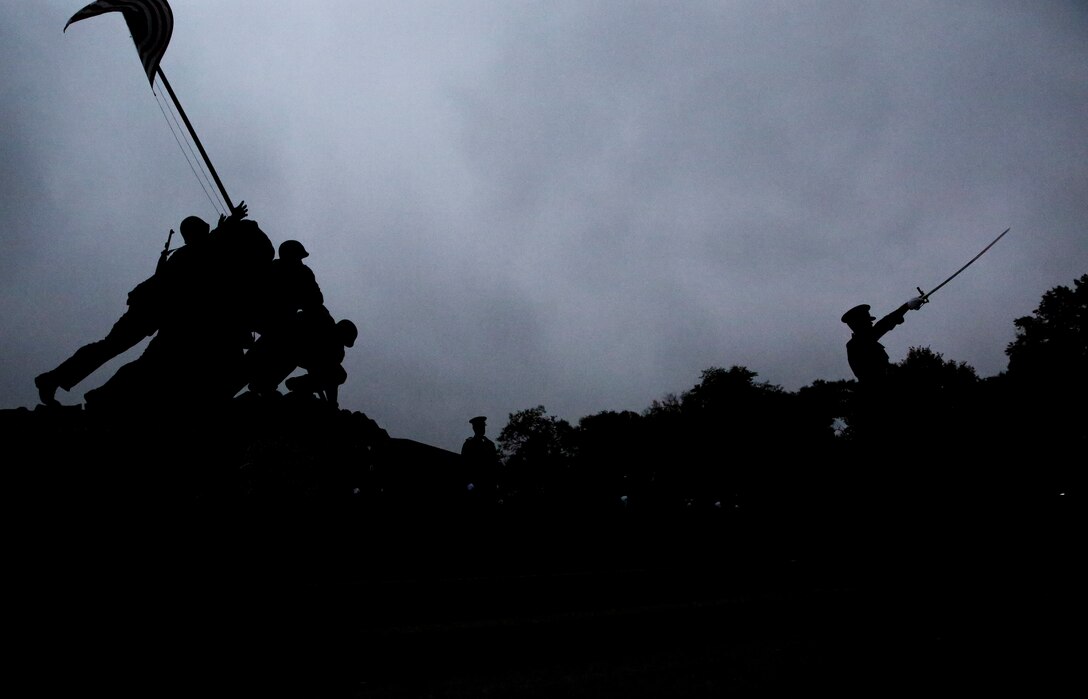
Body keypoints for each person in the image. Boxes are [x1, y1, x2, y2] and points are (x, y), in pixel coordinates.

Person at [33, 203, 249, 407]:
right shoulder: (187, 254)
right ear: (193, 234)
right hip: (148, 311)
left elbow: (208, 245)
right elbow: (205, 247)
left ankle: (77, 387)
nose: (206, 233)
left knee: (125, 352)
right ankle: (56, 380)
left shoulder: (190, 252)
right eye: (202, 230)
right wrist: (229, 224)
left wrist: (227, 225)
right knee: (111, 348)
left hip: (156, 313)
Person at [841, 295, 927, 384]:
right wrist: (906, 306)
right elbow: (883, 324)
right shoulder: (856, 344)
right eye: (867, 320)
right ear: (859, 324)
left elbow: (883, 324)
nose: (871, 322)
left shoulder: (866, 341)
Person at [460, 416, 501, 501]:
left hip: (488, 485)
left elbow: (494, 465)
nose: (483, 428)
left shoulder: (490, 444)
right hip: (474, 484)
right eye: (480, 426)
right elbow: (464, 464)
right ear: (475, 428)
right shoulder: (469, 444)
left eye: (483, 426)